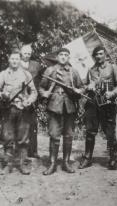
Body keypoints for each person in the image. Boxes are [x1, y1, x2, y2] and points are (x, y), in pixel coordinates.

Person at [78, 46, 117, 170]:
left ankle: (113, 159)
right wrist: (88, 87)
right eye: (96, 54)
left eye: (100, 54)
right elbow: (86, 85)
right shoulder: (91, 70)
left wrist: (113, 93)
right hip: (92, 104)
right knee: (90, 131)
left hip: (108, 104)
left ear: (105, 55)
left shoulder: (112, 67)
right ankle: (87, 158)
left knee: (109, 132)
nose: (98, 56)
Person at [40, 47, 84, 175]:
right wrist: (45, 94)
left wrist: (78, 91)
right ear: (57, 57)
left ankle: (66, 163)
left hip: (70, 107)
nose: (64, 57)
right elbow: (41, 88)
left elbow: (81, 87)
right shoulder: (50, 70)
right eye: (61, 55)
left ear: (68, 57)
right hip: (54, 106)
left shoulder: (73, 72)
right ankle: (52, 163)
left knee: (69, 136)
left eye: (66, 55)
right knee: (54, 135)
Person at [0, 49, 38, 175]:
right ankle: (8, 165)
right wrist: (2, 94)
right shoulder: (3, 74)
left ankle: (22, 165)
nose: (14, 61)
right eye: (12, 59)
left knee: (23, 139)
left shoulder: (26, 74)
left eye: (17, 59)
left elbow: (34, 92)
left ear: (20, 60)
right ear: (9, 60)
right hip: (8, 110)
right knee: (7, 138)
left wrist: (29, 101)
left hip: (23, 110)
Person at [20, 44, 42, 158]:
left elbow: (40, 81)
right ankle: (19, 152)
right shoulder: (15, 64)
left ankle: (33, 151)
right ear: (20, 53)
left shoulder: (36, 65)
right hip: (18, 99)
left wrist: (35, 96)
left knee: (33, 124)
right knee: (20, 124)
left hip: (32, 99)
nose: (27, 55)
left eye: (29, 53)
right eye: (25, 53)